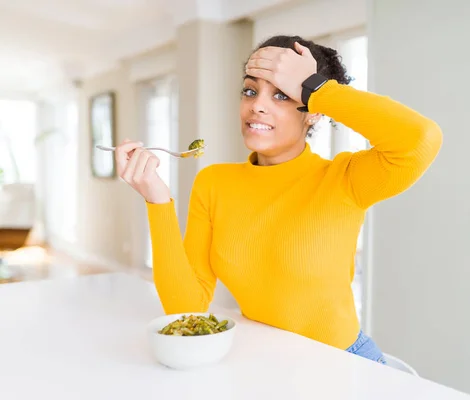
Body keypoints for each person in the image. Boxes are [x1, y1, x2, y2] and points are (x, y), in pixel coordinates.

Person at [115, 35, 443, 364]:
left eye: (282, 94)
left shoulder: (345, 179)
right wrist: (157, 200)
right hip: (264, 360)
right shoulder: (213, 182)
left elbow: (420, 139)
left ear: (312, 111)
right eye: (250, 90)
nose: (257, 104)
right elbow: (185, 308)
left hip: (343, 364)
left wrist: (317, 88)